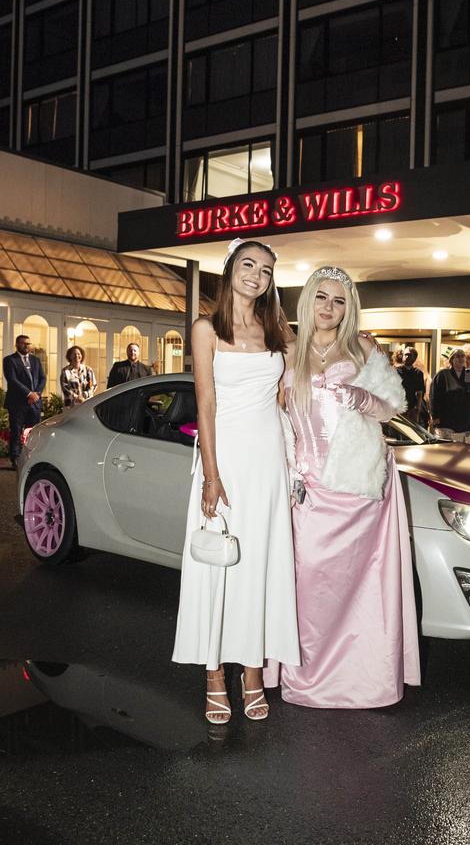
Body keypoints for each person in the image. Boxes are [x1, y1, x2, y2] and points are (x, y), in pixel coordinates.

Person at [267, 266, 420, 709]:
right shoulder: (288, 352)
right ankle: (308, 676)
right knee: (310, 586)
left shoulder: (364, 347)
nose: (329, 308)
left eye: (338, 300)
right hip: (308, 488)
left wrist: (362, 398)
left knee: (361, 588)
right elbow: (274, 416)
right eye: (321, 298)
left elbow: (392, 408)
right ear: (309, 300)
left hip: (356, 488)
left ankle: (363, 679)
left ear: (349, 306)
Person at [173, 238, 300, 723]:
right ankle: (211, 674)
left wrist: (364, 345)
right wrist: (210, 475)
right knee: (217, 567)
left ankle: (251, 672)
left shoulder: (277, 331)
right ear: (229, 271)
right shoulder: (205, 328)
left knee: (260, 569)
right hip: (223, 463)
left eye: (266, 270)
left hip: (268, 463)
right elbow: (205, 405)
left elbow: (308, 371)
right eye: (248, 264)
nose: (257, 275)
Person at [2, 335, 46, 469]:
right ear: (17, 344)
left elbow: (42, 378)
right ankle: (15, 459)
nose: (26, 346)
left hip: (34, 403)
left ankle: (31, 457)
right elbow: (12, 380)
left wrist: (36, 394)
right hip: (17, 403)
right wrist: (29, 393)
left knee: (32, 431)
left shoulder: (35, 360)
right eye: (23, 343)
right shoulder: (9, 360)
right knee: (16, 431)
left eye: (28, 343)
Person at [430, 347, 470, 443]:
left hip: (465, 422)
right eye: (457, 356)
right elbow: (434, 396)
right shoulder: (443, 375)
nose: (460, 358)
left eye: (462, 356)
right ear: (452, 359)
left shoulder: (468, 375)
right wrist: (435, 415)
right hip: (447, 421)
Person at [397, 346, 425, 424]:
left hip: (412, 407)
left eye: (409, 355)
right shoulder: (396, 371)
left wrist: (418, 408)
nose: (406, 357)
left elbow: (420, 392)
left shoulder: (418, 373)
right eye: (405, 355)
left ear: (414, 357)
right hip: (399, 407)